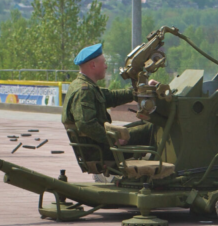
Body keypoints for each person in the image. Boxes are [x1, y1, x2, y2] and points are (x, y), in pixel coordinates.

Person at [61, 43, 154, 171]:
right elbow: (85, 124)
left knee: (143, 124)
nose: (106, 66)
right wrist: (112, 139)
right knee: (152, 128)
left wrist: (141, 90)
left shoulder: (83, 86)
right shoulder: (84, 91)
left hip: (102, 146)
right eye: (103, 63)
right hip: (103, 151)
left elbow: (111, 96)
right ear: (93, 65)